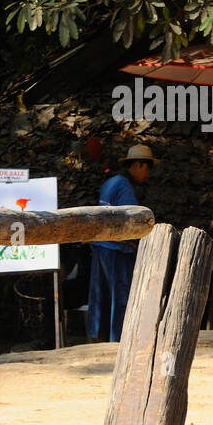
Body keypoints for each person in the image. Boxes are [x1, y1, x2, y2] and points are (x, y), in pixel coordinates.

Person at [88, 144, 157, 341]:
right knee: (120, 297)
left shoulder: (110, 182)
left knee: (101, 295)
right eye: (147, 168)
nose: (148, 173)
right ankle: (119, 339)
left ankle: (97, 336)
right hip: (116, 250)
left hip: (101, 246)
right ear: (137, 165)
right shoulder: (125, 187)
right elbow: (132, 223)